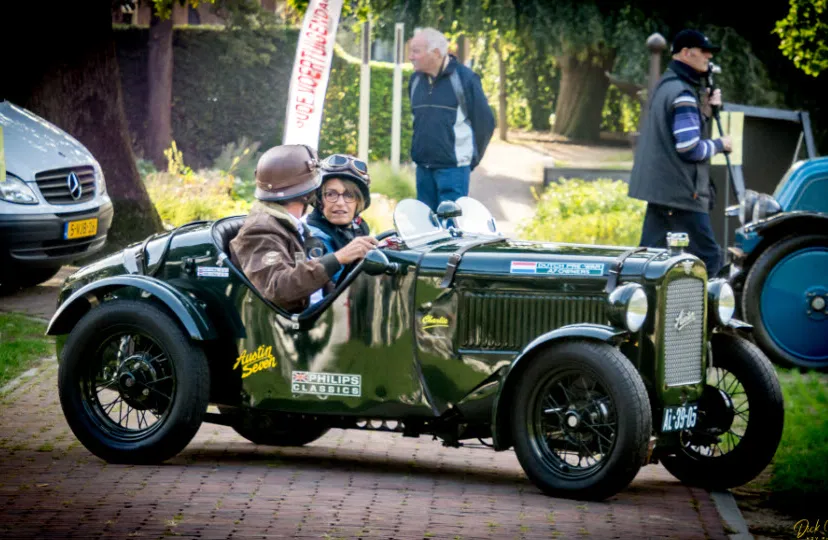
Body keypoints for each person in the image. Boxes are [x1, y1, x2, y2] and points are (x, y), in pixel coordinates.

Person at [628, 29, 733, 276]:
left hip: (661, 192)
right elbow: (689, 148)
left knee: (648, 258)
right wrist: (720, 144)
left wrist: (705, 109)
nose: (708, 57)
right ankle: (714, 312)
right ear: (686, 53)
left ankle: (641, 307)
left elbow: (676, 132)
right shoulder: (683, 94)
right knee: (709, 257)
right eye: (704, 53)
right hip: (681, 194)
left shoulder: (667, 85)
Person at [229, 144, 377, 313]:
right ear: (310, 193)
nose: (340, 202)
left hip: (318, 317)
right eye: (329, 193)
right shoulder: (261, 230)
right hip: (293, 329)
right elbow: (278, 288)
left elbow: (319, 286)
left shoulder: (290, 225)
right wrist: (338, 258)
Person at [408, 27, 495, 212]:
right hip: (423, 169)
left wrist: (470, 160)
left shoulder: (465, 79)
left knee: (452, 229)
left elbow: (485, 124)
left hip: (453, 171)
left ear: (437, 53)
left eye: (416, 51)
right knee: (425, 229)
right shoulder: (415, 81)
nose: (410, 57)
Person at [304, 154, 372, 304]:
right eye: (331, 194)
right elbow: (341, 289)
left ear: (359, 202)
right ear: (319, 200)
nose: (340, 203)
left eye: (349, 195)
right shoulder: (314, 238)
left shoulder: (357, 227)